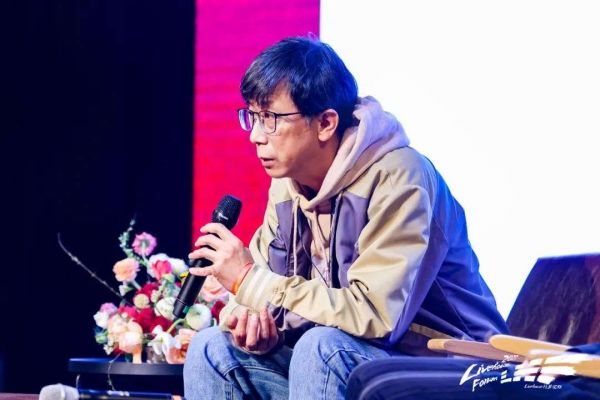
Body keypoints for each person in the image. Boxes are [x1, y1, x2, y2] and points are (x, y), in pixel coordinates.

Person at [183, 36, 508, 399]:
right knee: (212, 349)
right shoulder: (287, 186)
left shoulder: (399, 176)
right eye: (253, 117)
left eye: (271, 118)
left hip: (455, 366)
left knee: (323, 347)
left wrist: (251, 281)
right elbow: (264, 289)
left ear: (325, 122)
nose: (256, 137)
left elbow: (376, 316)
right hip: (355, 360)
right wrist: (254, 323)